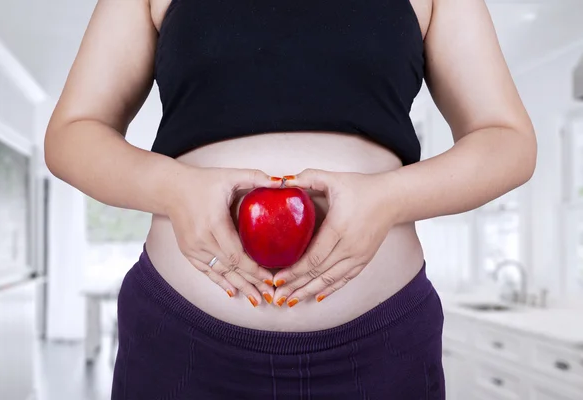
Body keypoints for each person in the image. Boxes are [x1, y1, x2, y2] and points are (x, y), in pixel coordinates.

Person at [44, 0, 537, 398]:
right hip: (181, 344)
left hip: (380, 351)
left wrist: (387, 198)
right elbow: (72, 134)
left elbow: (507, 141)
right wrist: (173, 188)